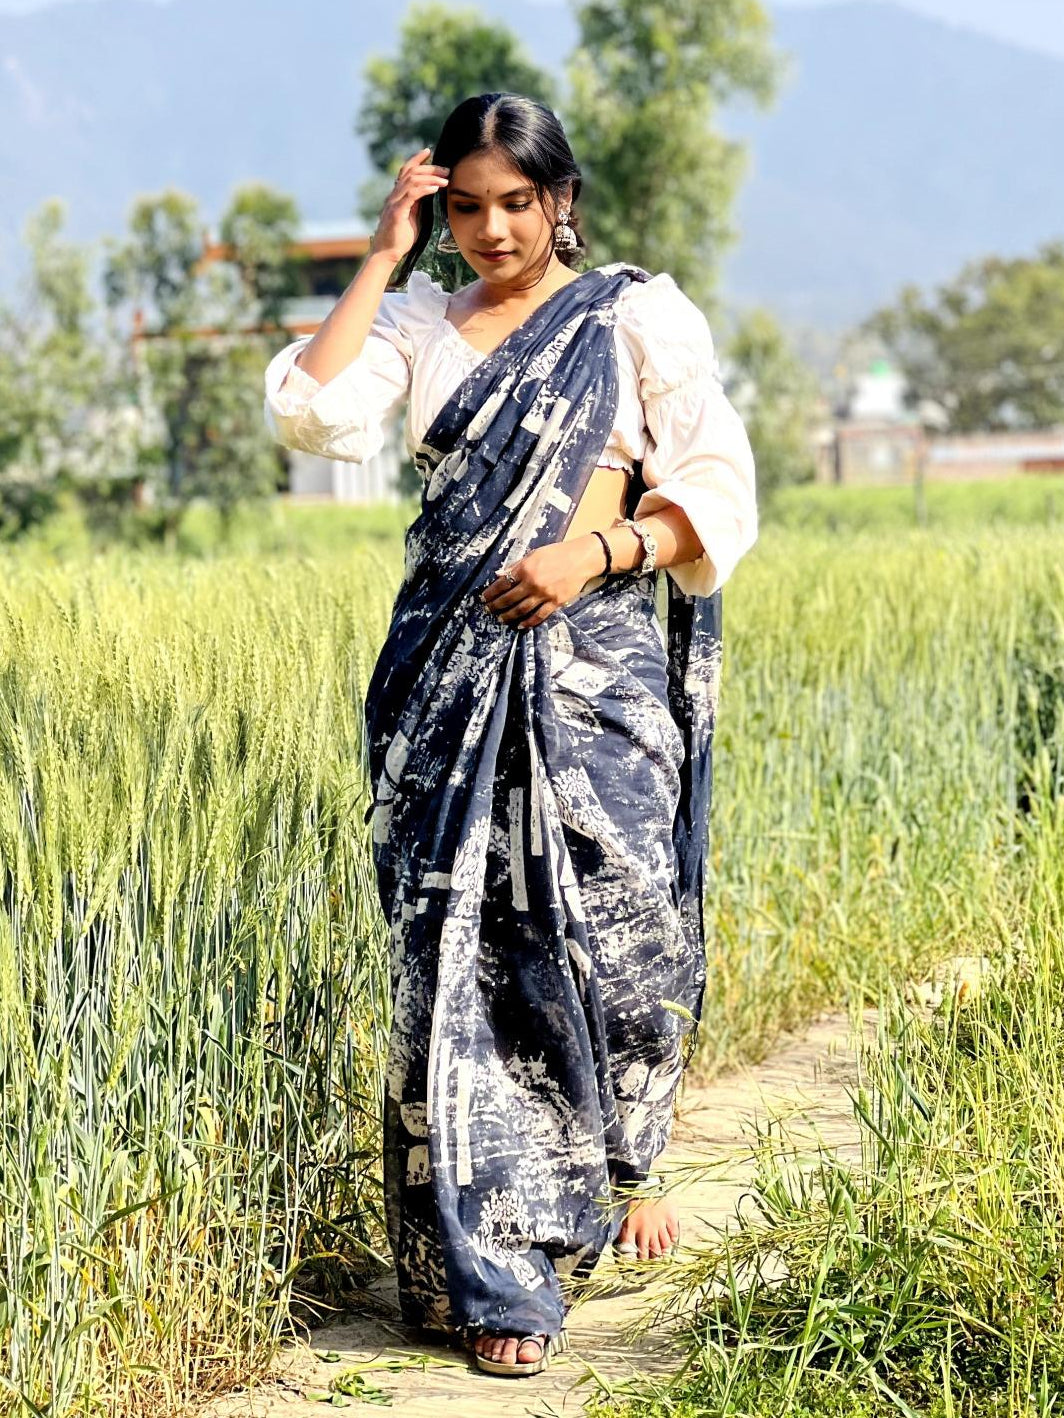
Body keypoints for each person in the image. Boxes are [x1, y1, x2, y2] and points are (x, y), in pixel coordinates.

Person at [263, 92, 757, 1379]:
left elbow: (714, 488)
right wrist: (380, 252)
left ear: (559, 200)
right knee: (461, 966)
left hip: (596, 678)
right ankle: (497, 1276)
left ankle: (625, 1160)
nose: (489, 229)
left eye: (514, 203)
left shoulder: (634, 316)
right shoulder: (421, 324)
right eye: (465, 205)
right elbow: (310, 415)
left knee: (623, 932)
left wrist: (594, 549)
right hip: (446, 677)